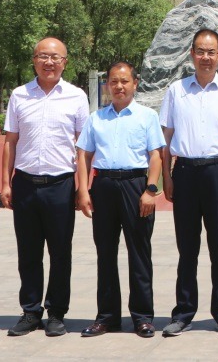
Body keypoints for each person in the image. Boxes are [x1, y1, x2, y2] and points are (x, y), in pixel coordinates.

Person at [158, 28, 218, 338]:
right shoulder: (176, 91)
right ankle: (183, 312)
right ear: (192, 54)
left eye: (211, 52)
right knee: (187, 248)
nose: (206, 57)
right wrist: (167, 176)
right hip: (185, 172)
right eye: (200, 51)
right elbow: (166, 136)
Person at [1, 36, 89, 337]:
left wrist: (82, 188)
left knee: (60, 252)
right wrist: (6, 183)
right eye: (43, 56)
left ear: (65, 62)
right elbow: (10, 142)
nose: (49, 62)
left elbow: (83, 147)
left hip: (60, 185)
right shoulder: (19, 95)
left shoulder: (76, 96)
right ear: (34, 60)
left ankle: (56, 312)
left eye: (55, 57)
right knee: (28, 252)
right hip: (25, 183)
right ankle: (30, 311)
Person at [74, 62, 166, 338]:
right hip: (103, 186)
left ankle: (143, 317)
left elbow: (156, 155)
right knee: (105, 253)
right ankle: (107, 317)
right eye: (113, 81)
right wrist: (83, 190)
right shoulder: (96, 118)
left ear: (135, 84)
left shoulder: (147, 116)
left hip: (136, 186)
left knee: (139, 253)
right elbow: (84, 155)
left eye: (124, 81)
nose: (118, 86)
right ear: (107, 85)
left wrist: (151, 190)